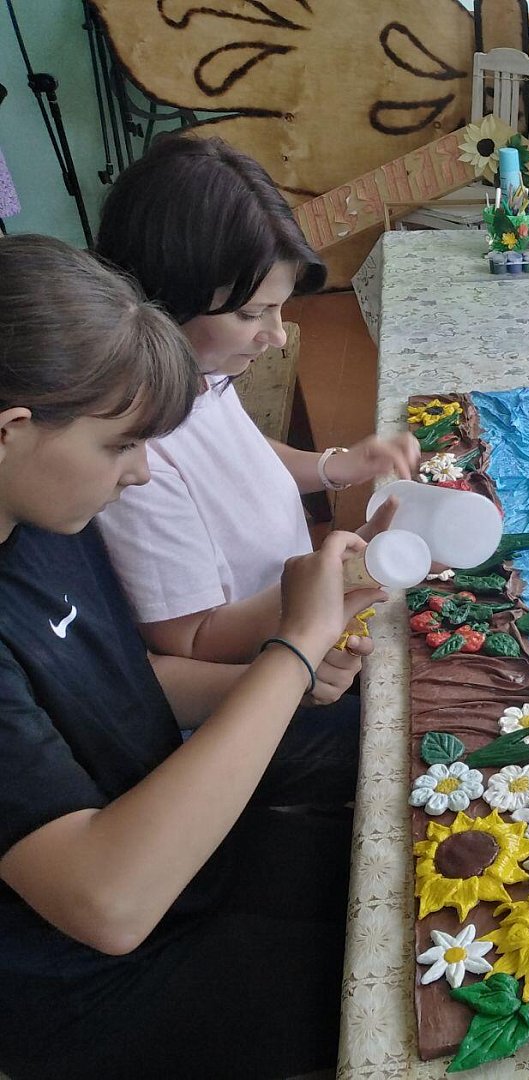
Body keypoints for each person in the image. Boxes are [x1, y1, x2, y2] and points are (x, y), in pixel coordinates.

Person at [0, 235, 386, 1078]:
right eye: (120, 446)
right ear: (13, 431)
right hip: (96, 983)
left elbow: (120, 688)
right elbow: (110, 904)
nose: (142, 474)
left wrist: (282, 680)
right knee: (417, 985)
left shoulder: (40, 519)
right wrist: (290, 651)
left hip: (181, 847)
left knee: (411, 827)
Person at [92, 134, 419, 664]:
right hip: (267, 667)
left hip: (302, 618)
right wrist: (334, 581)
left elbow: (241, 458)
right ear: (164, 299)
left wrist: (335, 466)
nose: (279, 335)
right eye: (250, 314)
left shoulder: (201, 372)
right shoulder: (133, 453)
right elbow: (191, 640)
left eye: (279, 308)